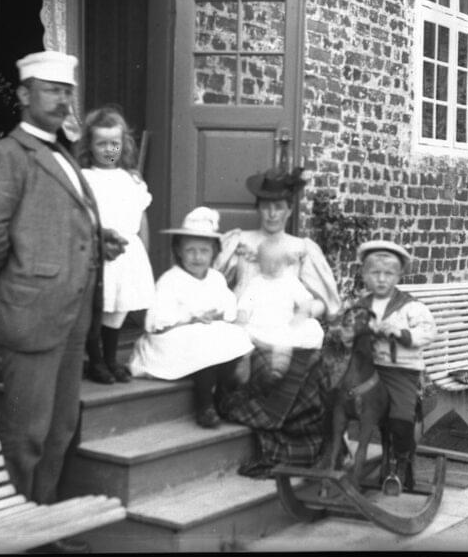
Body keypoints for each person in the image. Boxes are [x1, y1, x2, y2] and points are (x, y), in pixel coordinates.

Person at [0, 51, 125, 525]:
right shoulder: (7, 155)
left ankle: (44, 523)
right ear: (22, 95)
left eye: (67, 91)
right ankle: (13, 528)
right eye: (52, 90)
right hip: (31, 315)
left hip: (72, 316)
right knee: (24, 431)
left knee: (60, 428)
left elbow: (53, 222)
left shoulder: (62, 154)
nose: (63, 100)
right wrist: (19, 278)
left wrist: (97, 240)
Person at [214, 166, 342, 477]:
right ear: (258, 207)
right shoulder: (239, 242)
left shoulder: (302, 249)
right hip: (248, 330)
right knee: (261, 367)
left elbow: (327, 304)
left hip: (289, 330)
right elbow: (214, 286)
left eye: (279, 207)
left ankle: (300, 452)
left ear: (288, 209)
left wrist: (305, 311)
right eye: (266, 206)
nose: (272, 214)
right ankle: (273, 450)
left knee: (312, 368)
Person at [128, 207, 254, 428]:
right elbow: (156, 323)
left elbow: (228, 308)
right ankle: (204, 404)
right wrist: (191, 318)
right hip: (172, 339)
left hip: (205, 334)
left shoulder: (215, 278)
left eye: (204, 251)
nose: (197, 257)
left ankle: (224, 394)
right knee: (201, 339)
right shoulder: (171, 280)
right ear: (178, 251)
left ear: (214, 253)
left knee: (234, 335)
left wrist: (218, 315)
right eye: (190, 251)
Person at [77, 106, 156, 385]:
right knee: (99, 308)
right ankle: (95, 360)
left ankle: (111, 359)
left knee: (118, 308)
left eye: (115, 143)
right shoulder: (85, 178)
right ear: (90, 145)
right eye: (102, 143)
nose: (109, 150)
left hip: (128, 253)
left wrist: (142, 251)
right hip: (101, 253)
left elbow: (141, 219)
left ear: (123, 144)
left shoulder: (131, 178)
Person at [353, 239, 438, 491]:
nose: (381, 279)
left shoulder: (410, 306)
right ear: (365, 275)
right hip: (370, 369)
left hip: (400, 370)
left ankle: (401, 461)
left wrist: (399, 332)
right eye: (375, 273)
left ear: (398, 275)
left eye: (388, 274)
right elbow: (348, 326)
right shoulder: (362, 304)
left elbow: (428, 331)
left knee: (401, 417)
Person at [235, 236, 325, 381]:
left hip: (284, 324)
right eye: (267, 263)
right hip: (260, 326)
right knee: (241, 333)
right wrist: (242, 317)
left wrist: (301, 314)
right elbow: (245, 305)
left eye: (277, 262)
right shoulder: (255, 283)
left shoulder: (289, 281)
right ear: (259, 263)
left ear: (285, 262)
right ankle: (245, 361)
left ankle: (280, 364)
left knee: (310, 328)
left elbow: (306, 300)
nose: (272, 267)